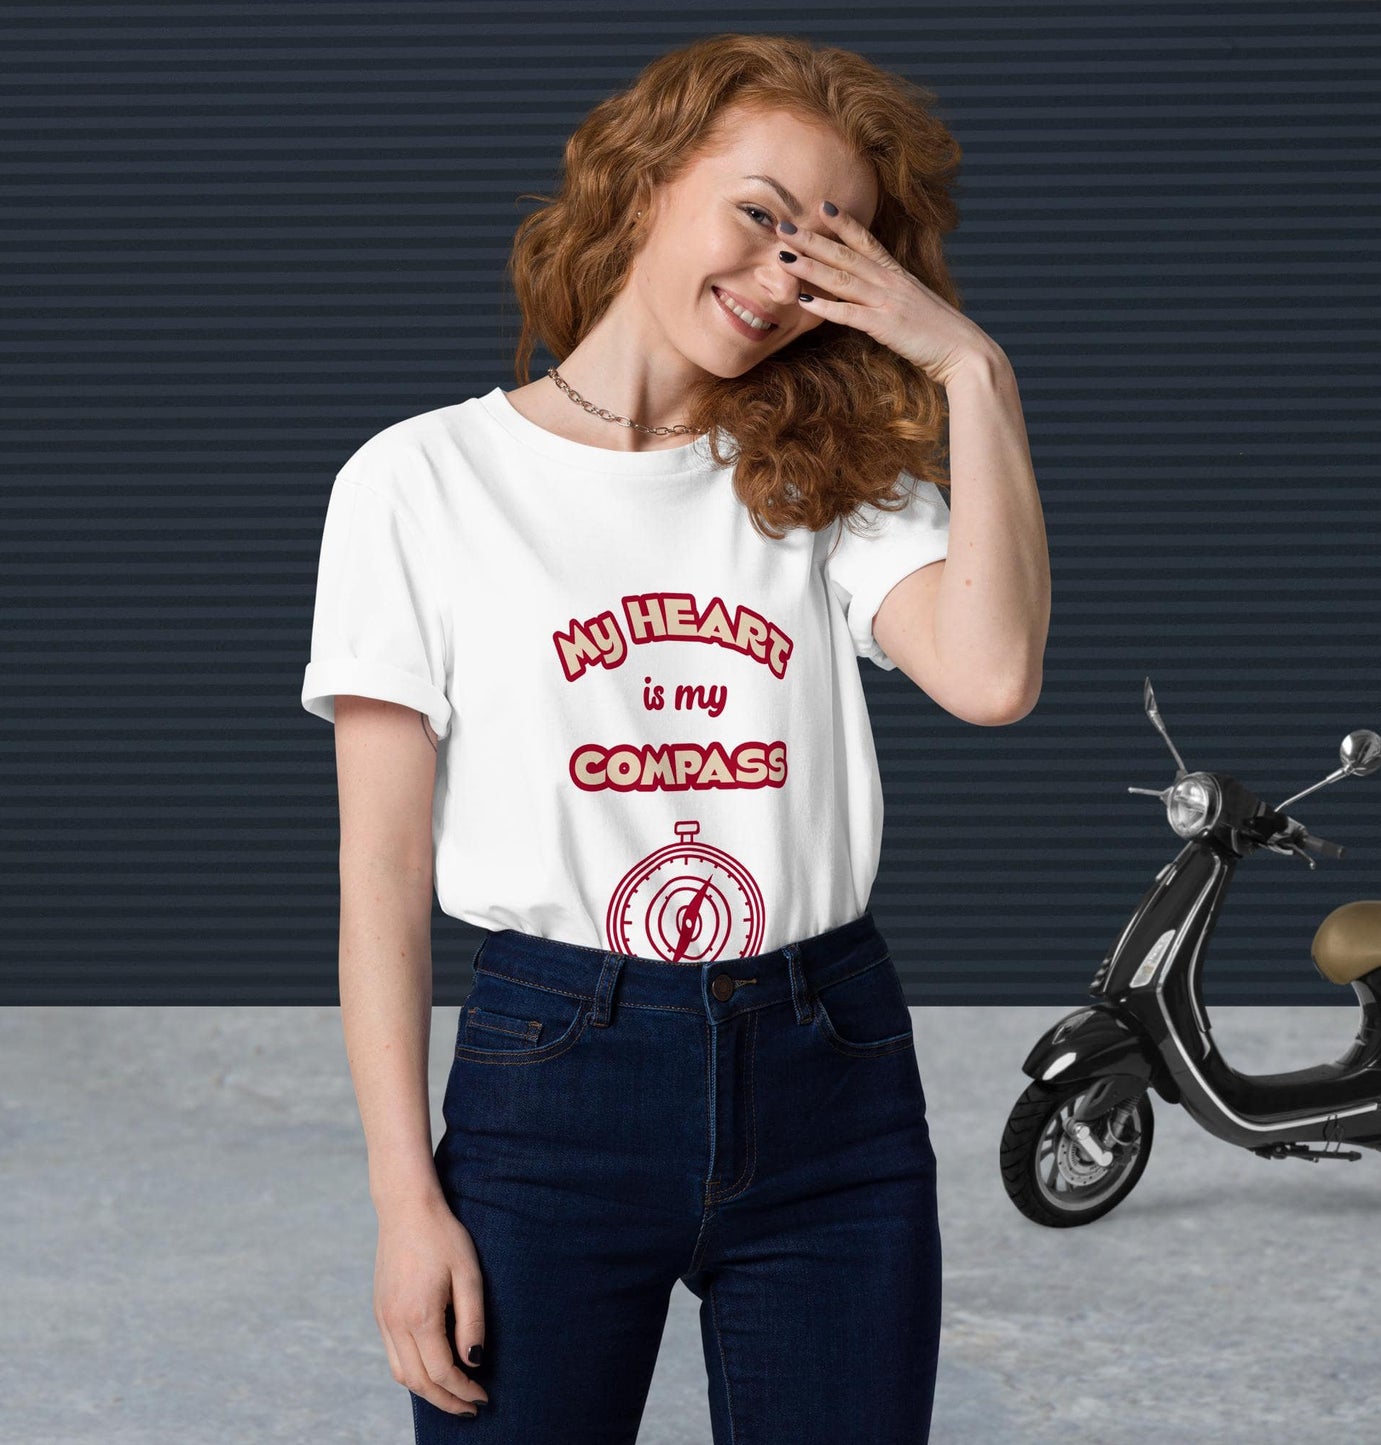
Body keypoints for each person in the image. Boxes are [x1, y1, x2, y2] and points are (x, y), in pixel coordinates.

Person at [300, 32, 1048, 1445]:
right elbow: (380, 877)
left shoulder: (824, 478)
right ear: (641, 184)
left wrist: (970, 369)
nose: (781, 274)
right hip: (553, 1079)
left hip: (829, 1068)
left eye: (829, 248)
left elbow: (994, 675)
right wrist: (406, 1202)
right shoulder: (421, 482)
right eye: (759, 213)